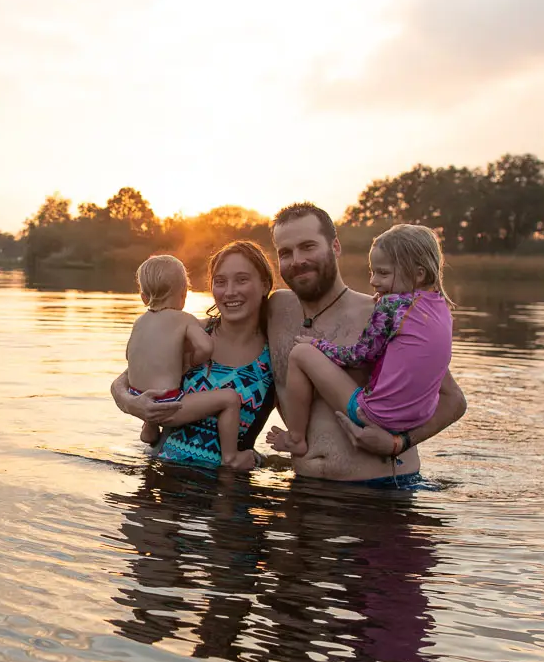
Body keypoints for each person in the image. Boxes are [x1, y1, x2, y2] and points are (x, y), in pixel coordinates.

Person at [261, 203, 466, 488]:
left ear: (335, 247)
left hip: (381, 494)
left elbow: (453, 401)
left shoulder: (383, 312)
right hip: (303, 491)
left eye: (308, 246)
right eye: (285, 252)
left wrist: (398, 442)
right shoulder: (275, 311)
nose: (297, 260)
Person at [111, 241, 278, 470]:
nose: (230, 291)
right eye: (220, 282)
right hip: (161, 477)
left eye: (242, 279)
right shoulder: (192, 333)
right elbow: (125, 379)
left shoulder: (275, 355)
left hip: (226, 492)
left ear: (264, 284)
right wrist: (133, 404)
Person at [123, 254, 243, 466]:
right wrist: (194, 361)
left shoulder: (139, 323)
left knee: (153, 384)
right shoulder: (184, 319)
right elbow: (206, 347)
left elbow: (129, 355)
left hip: (138, 397)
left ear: (143, 297)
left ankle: (149, 428)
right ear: (184, 294)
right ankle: (231, 457)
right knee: (231, 399)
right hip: (167, 403)